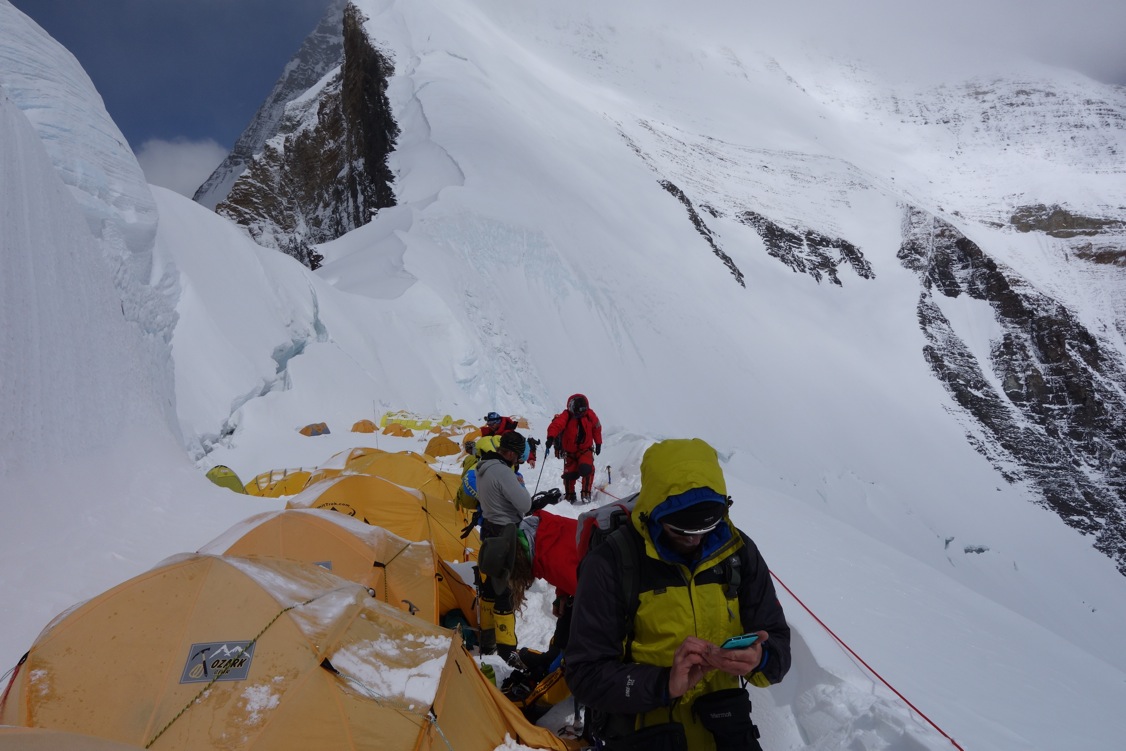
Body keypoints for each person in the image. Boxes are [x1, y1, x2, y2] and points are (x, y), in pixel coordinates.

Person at [566, 438, 791, 751]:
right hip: (647, 738)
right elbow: (585, 674)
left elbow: (778, 645)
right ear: (653, 515)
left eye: (707, 528)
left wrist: (759, 658)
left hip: (727, 734)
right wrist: (664, 683)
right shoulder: (612, 564)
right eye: (682, 531)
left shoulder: (738, 552)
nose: (696, 540)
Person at [474, 430, 534, 660]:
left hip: (488, 529)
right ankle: (507, 651)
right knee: (506, 591)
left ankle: (487, 641)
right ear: (508, 453)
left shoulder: (484, 466)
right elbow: (525, 504)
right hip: (505, 533)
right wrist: (519, 484)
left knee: (489, 586)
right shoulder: (502, 471)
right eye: (517, 457)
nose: (518, 461)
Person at [545, 394, 602, 502]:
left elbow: (597, 427)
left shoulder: (590, 415)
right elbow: (557, 425)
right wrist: (551, 437)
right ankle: (570, 495)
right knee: (569, 475)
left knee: (586, 468)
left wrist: (598, 443)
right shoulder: (566, 415)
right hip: (570, 451)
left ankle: (586, 493)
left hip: (585, 449)